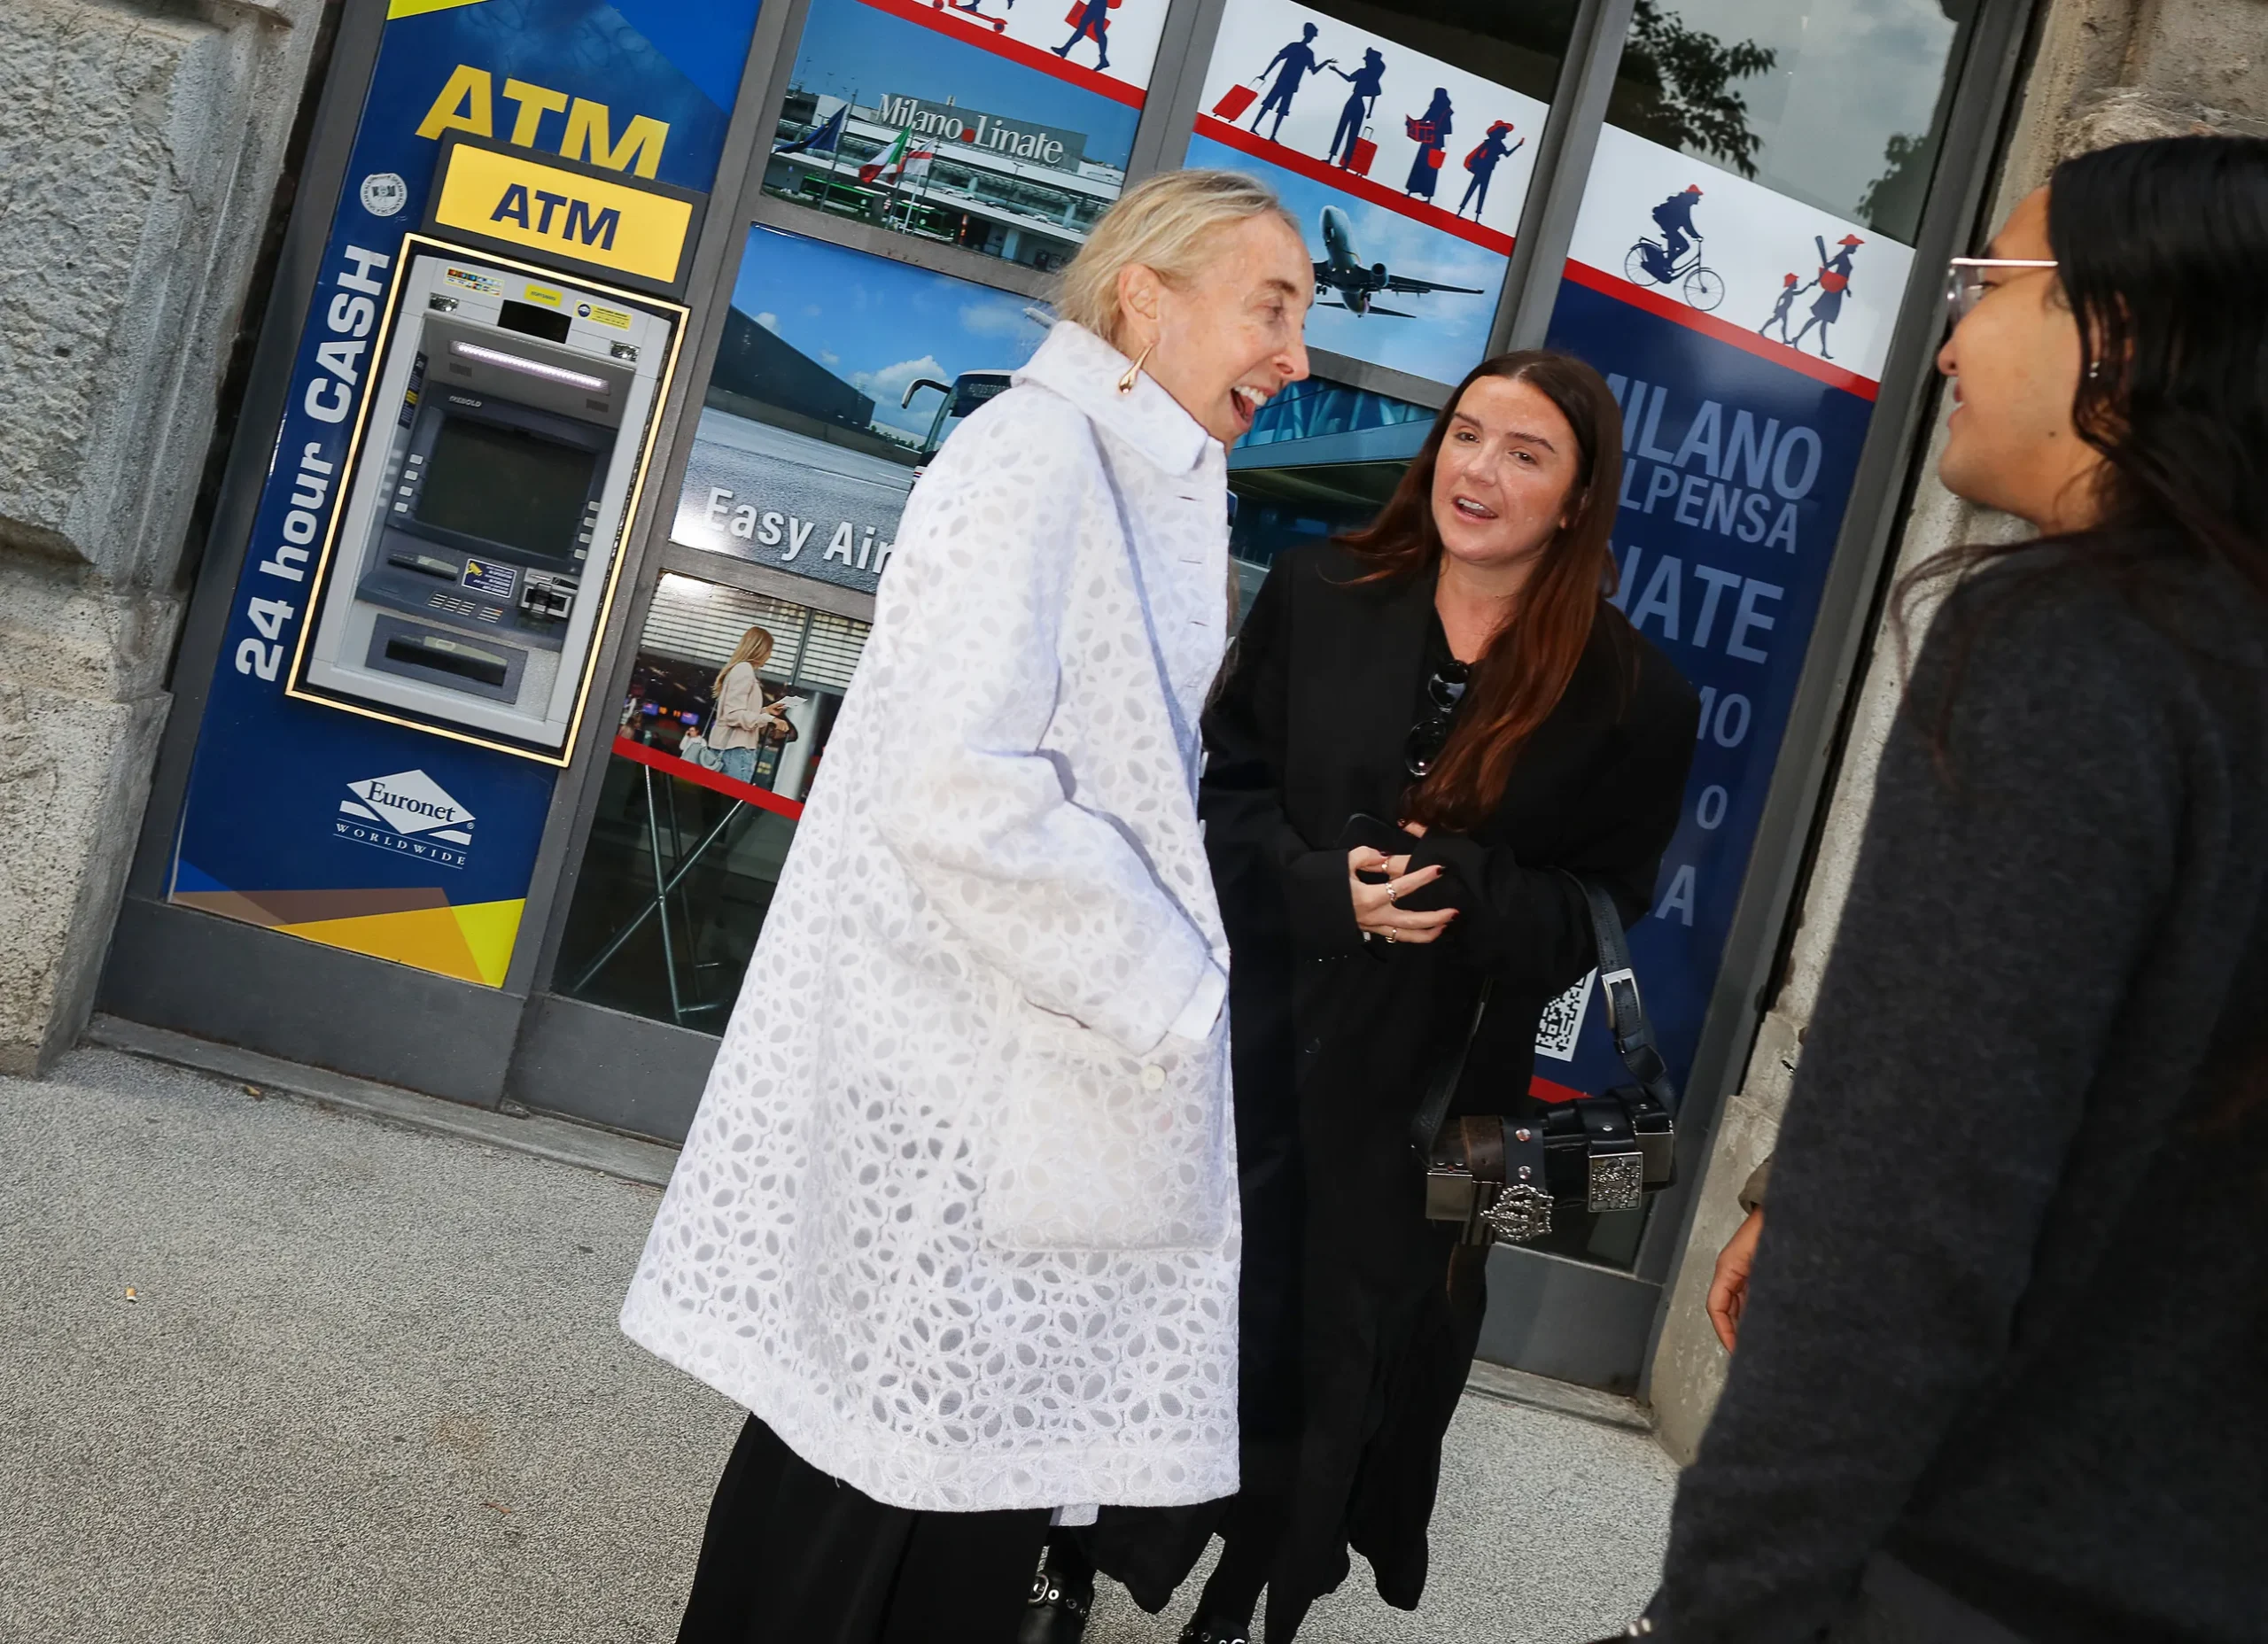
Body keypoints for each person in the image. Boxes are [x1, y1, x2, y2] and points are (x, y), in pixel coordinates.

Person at [618, 168, 1314, 1644]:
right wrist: (1173, 988)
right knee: (862, 1494)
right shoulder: (1037, 460)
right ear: (1147, 295)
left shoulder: (1125, 474)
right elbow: (959, 787)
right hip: (959, 1103)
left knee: (946, 1500)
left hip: (1012, 1096)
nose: (1297, 354)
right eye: (1272, 305)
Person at [1635, 134, 2268, 1643]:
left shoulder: (2071, 655)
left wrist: (1723, 1610)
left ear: (2125, 327)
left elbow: (1903, 1239)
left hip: (1974, 1573)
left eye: (1992, 281)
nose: (1951, 335)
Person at [1027, 351, 1697, 1644]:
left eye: (1524, 453)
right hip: (1246, 1049)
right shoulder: (1323, 590)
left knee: (1344, 1362)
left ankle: (1241, 1604)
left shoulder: (1635, 697)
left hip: (1433, 1104)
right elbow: (1212, 801)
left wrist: (1470, 888)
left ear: (1576, 500)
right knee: (1164, 1312)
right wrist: (1323, 888)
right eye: (1466, 436)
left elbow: (1601, 910)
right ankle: (1068, 1558)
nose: (1479, 471)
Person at [706, 624, 796, 787]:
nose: (769, 656)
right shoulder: (744, 670)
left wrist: (766, 711)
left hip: (730, 748)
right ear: (759, 649)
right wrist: (772, 720)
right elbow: (733, 715)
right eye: (769, 651)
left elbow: (740, 712)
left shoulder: (740, 669)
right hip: (735, 750)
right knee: (730, 803)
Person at [1790, 232, 1862, 360]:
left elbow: (1843, 278)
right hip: (1832, 293)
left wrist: (1847, 289)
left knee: (1822, 320)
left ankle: (1816, 346)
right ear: (1850, 246)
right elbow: (1828, 267)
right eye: (1855, 246)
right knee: (1819, 319)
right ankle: (1803, 341)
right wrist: (1820, 279)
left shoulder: (1845, 258)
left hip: (1837, 293)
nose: (1856, 248)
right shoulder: (1842, 257)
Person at [1251, 23, 1328, 143]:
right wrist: (1265, 74)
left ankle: (1272, 135)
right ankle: (1254, 127)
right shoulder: (1296, 47)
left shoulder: (1307, 52)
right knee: (1269, 105)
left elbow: (1313, 70)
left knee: (1281, 110)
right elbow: (1278, 58)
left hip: (1290, 85)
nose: (1311, 38)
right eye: (1311, 35)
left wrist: (1325, 63)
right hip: (1283, 82)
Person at [1324, 49, 1386, 169]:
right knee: (1346, 131)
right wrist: (1369, 111)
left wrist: (1336, 70)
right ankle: (1335, 159)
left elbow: (1351, 80)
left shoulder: (1366, 74)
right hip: (1356, 104)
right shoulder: (1366, 74)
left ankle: (1342, 162)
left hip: (1355, 103)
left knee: (1348, 133)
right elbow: (1373, 94)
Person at [1456, 120, 1521, 220]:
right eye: (1503, 131)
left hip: (1488, 169)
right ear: (1498, 132)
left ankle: (1474, 216)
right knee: (1474, 189)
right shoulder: (1491, 143)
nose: (1505, 134)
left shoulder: (1499, 145)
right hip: (1482, 168)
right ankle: (1461, 212)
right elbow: (1480, 154)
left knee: (1481, 190)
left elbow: (1507, 154)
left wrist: (1518, 145)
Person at [1402, 89, 1454, 202]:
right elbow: (1423, 120)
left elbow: (1448, 130)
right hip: (1429, 140)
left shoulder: (1446, 112)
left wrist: (1436, 128)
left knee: (1430, 168)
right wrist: (1411, 124)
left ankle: (1426, 196)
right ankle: (1412, 191)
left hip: (1434, 141)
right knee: (1421, 166)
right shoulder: (1435, 108)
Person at [1653, 184, 1703, 265]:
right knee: (1685, 246)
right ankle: (1665, 264)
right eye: (1697, 196)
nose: (1698, 199)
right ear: (1693, 196)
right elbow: (1686, 222)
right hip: (1669, 227)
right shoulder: (1683, 204)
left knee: (1673, 248)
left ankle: (1666, 266)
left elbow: (1686, 222)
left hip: (1669, 227)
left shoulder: (1683, 202)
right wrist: (1695, 235)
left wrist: (1694, 234)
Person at [1758, 271, 1802, 344]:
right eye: (1795, 283)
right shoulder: (1789, 292)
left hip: (1784, 309)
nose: (1796, 284)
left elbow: (1800, 292)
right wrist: (1776, 307)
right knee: (1777, 321)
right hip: (1782, 309)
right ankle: (1763, 330)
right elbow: (1780, 298)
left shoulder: (1790, 292)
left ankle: (1764, 330)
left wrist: (1808, 286)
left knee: (1777, 321)